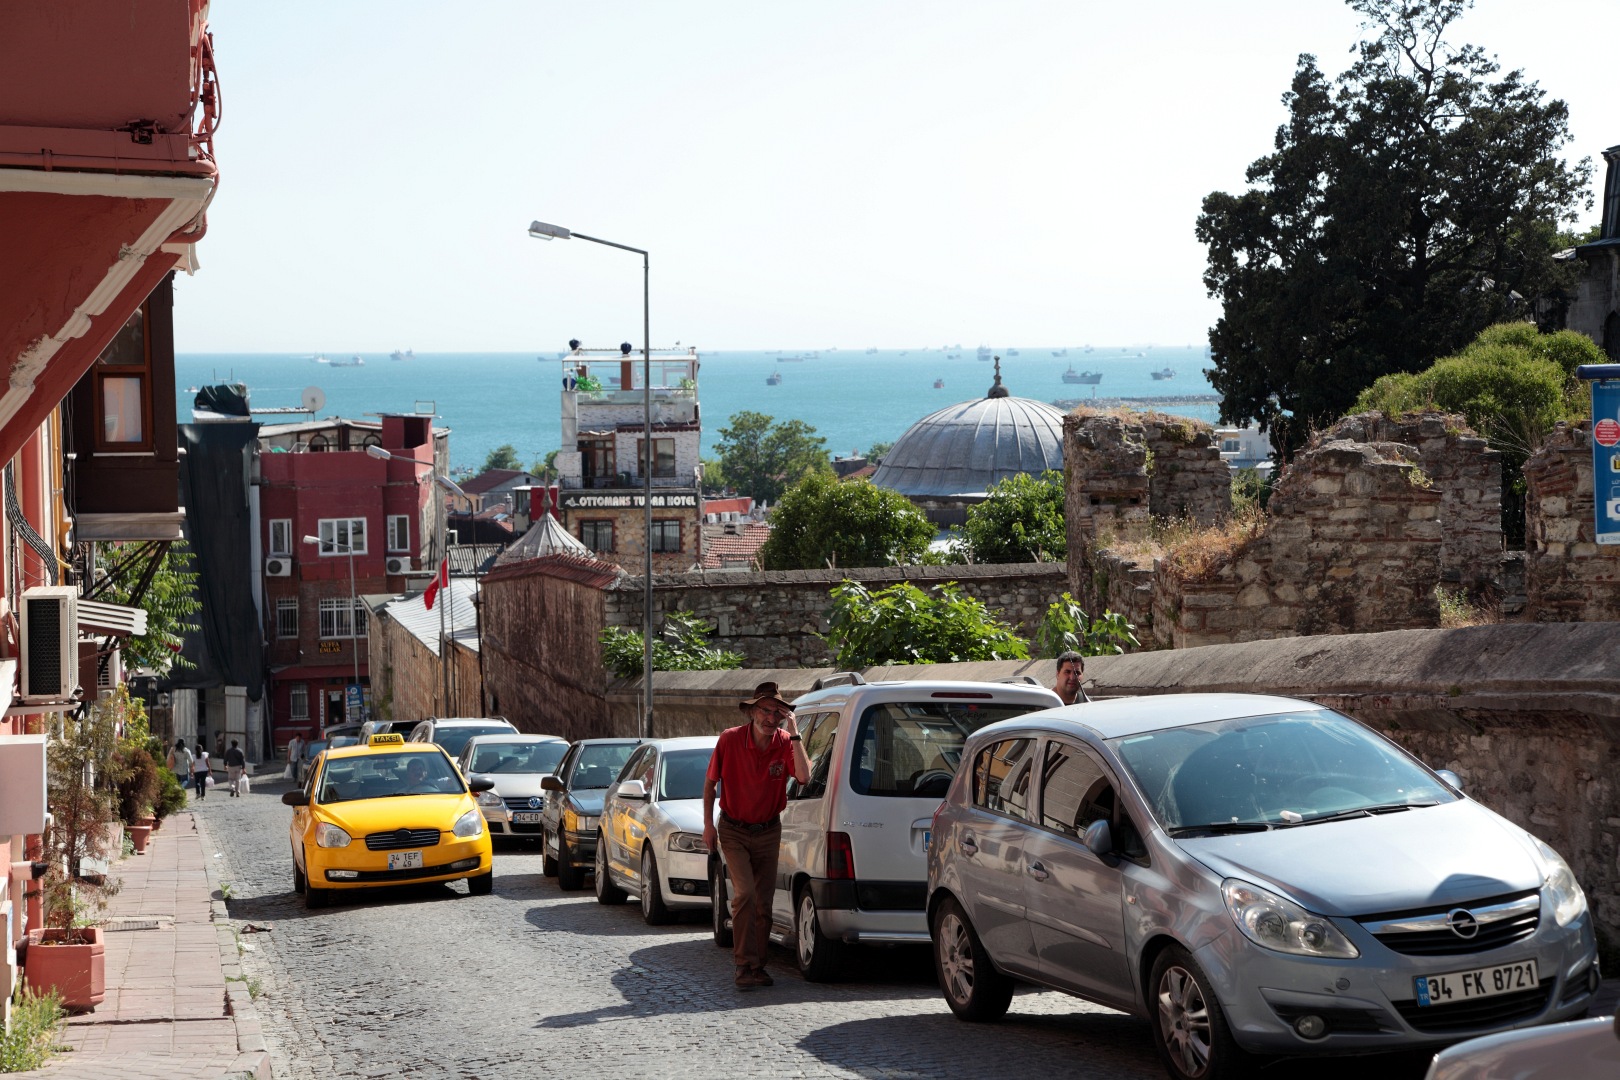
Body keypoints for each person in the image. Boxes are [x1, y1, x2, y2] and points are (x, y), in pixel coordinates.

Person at [702, 681, 810, 990]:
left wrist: (795, 731)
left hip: (768, 830)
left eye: (777, 713)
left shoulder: (786, 741)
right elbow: (710, 785)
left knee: (763, 903)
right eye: (765, 711)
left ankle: (757, 966)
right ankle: (742, 965)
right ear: (751, 712)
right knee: (745, 894)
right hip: (733, 829)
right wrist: (708, 826)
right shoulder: (730, 740)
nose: (770, 719)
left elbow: (803, 776)